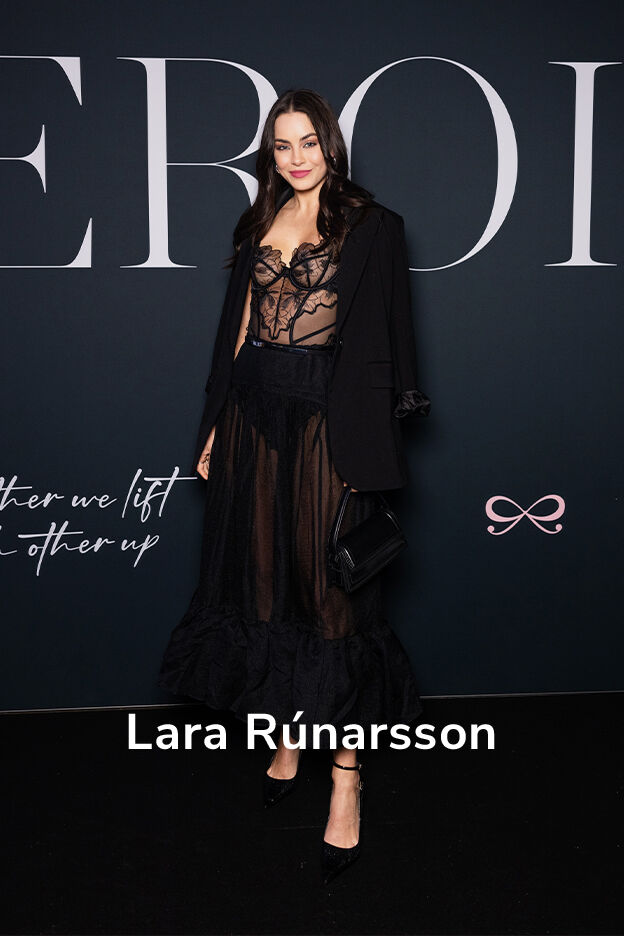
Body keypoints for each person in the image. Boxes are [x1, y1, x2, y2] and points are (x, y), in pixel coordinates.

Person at [158, 88, 431, 885]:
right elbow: (238, 330)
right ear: (270, 155)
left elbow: (391, 340)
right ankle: (286, 732)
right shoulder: (258, 224)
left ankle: (345, 781)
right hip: (253, 416)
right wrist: (214, 427)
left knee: (331, 598)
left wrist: (369, 444)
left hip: (326, 425)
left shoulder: (374, 226)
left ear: (331, 146)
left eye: (308, 141)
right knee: (265, 583)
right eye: (283, 145)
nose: (297, 157)